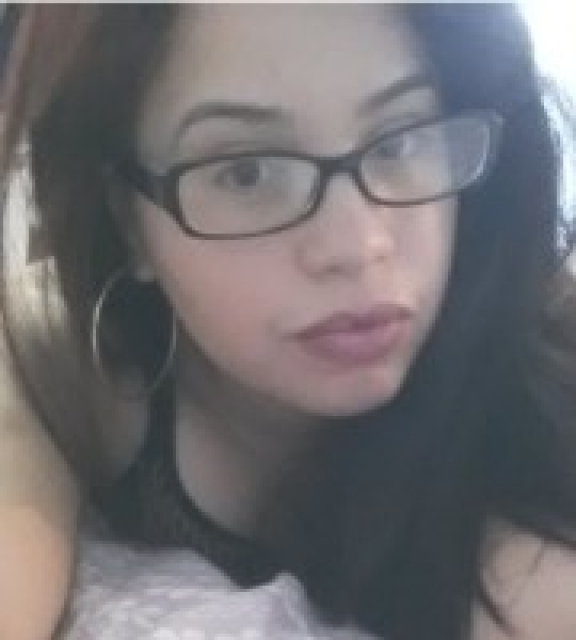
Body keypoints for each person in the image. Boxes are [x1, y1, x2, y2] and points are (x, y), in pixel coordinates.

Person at [2, 3, 576, 639]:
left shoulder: (534, 364)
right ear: (128, 221)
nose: (357, 246)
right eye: (247, 172)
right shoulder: (81, 375)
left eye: (400, 139)